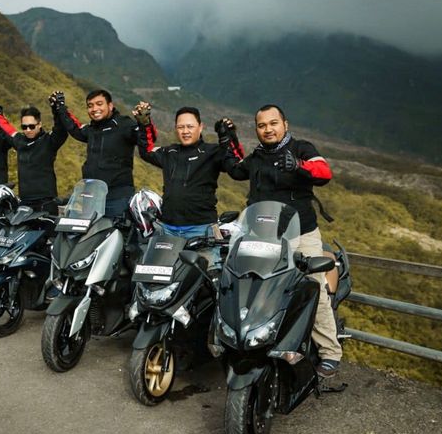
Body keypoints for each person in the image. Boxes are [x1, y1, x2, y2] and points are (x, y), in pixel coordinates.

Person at [225, 103, 342, 377]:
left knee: (314, 289)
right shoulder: (256, 157)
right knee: (253, 287)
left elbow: (324, 172)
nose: (268, 129)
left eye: (273, 123)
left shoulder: (302, 148)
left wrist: (299, 167)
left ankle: (330, 352)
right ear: (257, 129)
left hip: (301, 235)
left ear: (285, 124)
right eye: (262, 125)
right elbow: (235, 170)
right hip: (264, 237)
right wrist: (228, 140)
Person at [137, 105, 244, 242]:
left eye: (190, 126)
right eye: (181, 127)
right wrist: (144, 124)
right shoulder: (169, 153)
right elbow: (146, 151)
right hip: (168, 228)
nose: (185, 131)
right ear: (176, 128)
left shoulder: (213, 152)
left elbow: (236, 162)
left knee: (207, 264)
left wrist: (228, 136)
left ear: (200, 127)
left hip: (202, 229)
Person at [51, 89, 156, 218]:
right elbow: (74, 128)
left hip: (118, 197)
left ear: (110, 106)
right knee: (88, 236)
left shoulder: (123, 124)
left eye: (99, 104)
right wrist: (60, 108)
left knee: (118, 234)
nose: (95, 109)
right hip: (90, 195)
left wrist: (144, 123)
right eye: (90, 106)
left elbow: (145, 140)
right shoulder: (92, 129)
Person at [0, 102, 68, 215]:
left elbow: (61, 130)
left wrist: (57, 108)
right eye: (24, 127)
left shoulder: (49, 141)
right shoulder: (19, 141)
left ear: (39, 124)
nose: (28, 130)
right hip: (25, 202)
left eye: (32, 126)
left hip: (46, 202)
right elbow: (7, 129)